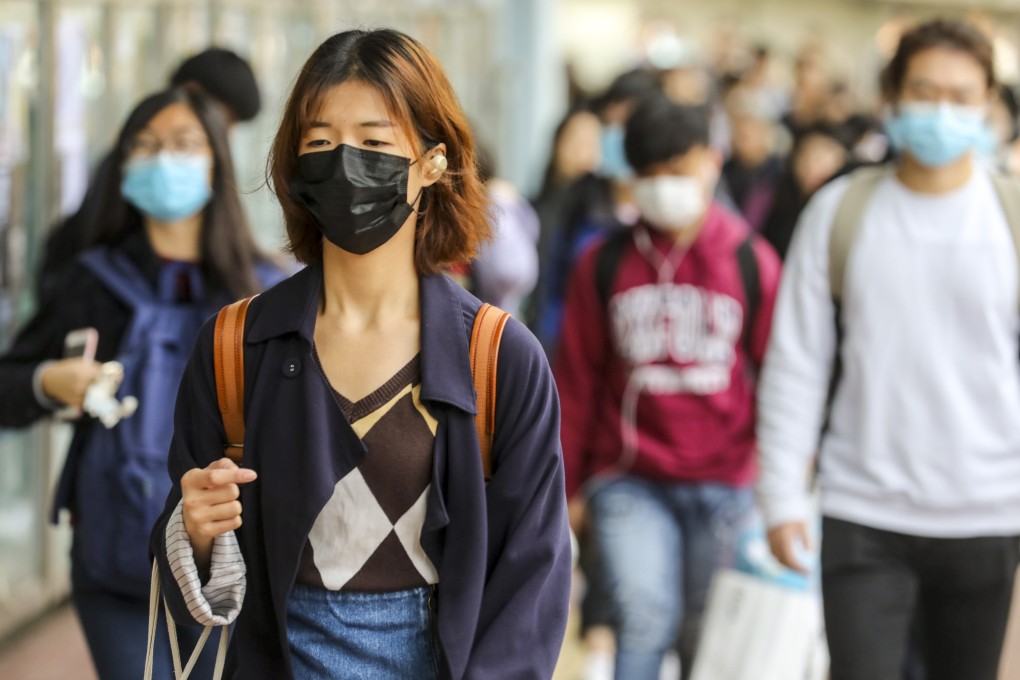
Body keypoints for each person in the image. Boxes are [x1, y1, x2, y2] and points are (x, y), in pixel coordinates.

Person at [149, 28, 572, 680]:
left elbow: (533, 571)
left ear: (433, 162)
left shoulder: (497, 355)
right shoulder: (237, 347)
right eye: (319, 142)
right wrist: (196, 532)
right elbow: (185, 552)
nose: (343, 161)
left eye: (374, 142)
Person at [758, 19, 1020, 680]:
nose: (942, 111)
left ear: (989, 103)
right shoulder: (840, 212)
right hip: (863, 513)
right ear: (892, 98)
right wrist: (783, 496)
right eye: (925, 91)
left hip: (989, 514)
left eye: (962, 96)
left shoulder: (1010, 218)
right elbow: (796, 362)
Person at [0, 86, 284, 679]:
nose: (164, 161)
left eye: (184, 145)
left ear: (217, 162)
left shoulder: (265, 295)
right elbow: (8, 387)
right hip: (116, 562)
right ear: (123, 163)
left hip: (235, 567)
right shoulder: (92, 281)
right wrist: (49, 381)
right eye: (146, 146)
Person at [556, 94, 781, 680]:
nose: (664, 187)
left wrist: (777, 483)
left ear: (710, 161)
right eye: (649, 175)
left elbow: (779, 379)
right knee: (644, 612)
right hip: (631, 480)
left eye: (677, 171)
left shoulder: (751, 262)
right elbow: (576, 379)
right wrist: (570, 486)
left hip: (726, 483)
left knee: (706, 630)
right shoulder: (602, 264)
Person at [37, 47, 263, 301]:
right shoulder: (99, 279)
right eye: (145, 145)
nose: (225, 133)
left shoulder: (256, 282)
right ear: (192, 92)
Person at [760, 122, 850, 260]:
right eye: (805, 160)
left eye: (819, 161)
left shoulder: (840, 209)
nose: (811, 168)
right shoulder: (779, 200)